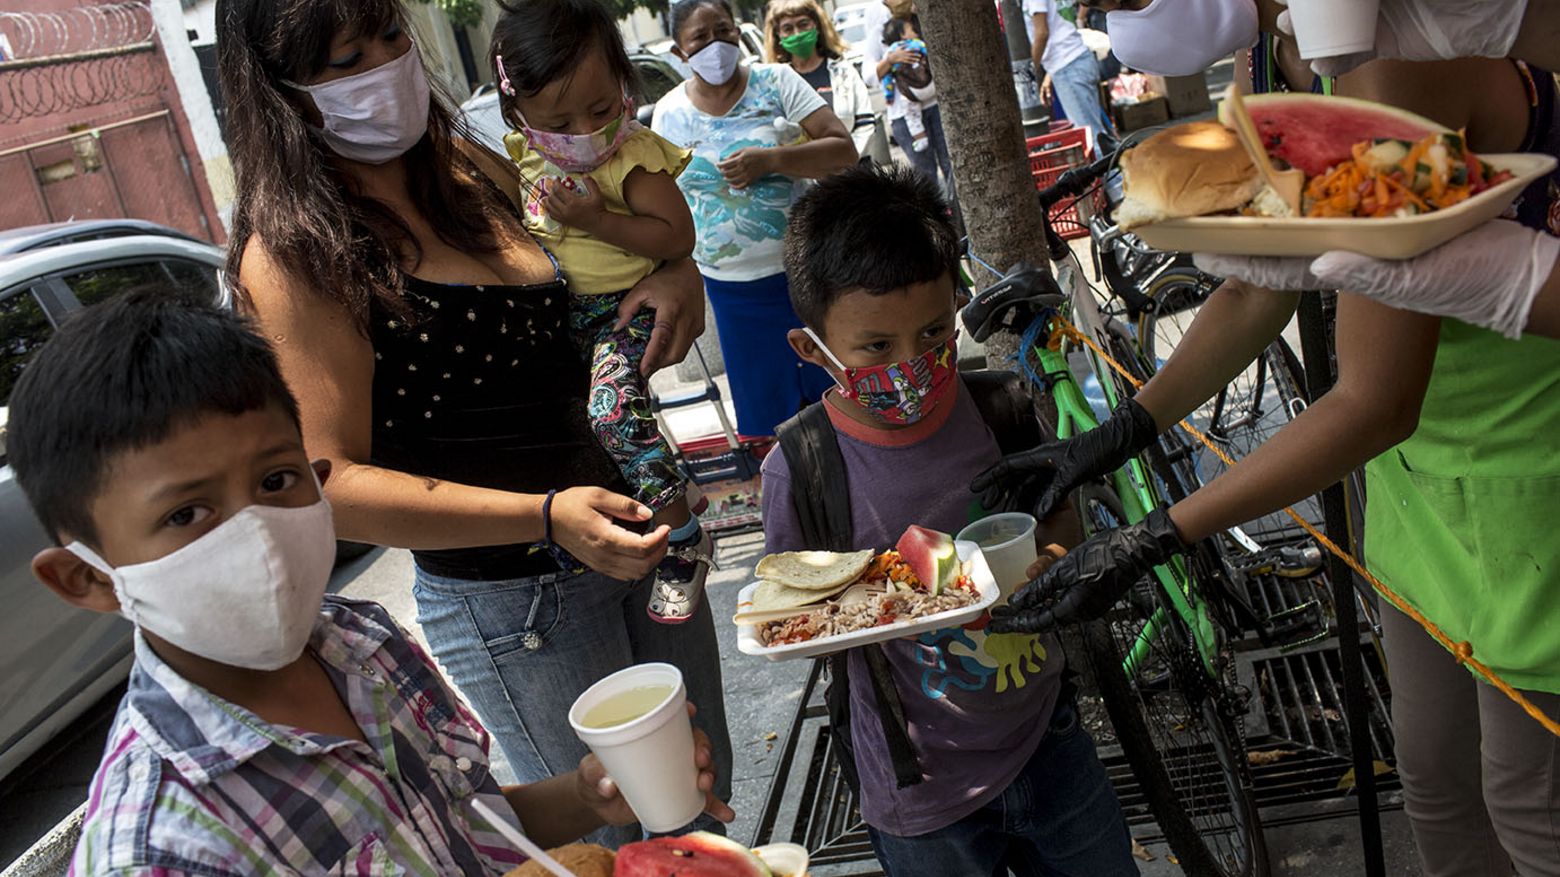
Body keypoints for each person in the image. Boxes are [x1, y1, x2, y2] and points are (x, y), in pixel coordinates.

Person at [979, 4, 1560, 874]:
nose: (1118, 12)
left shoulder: (1385, 68)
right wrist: (1120, 432)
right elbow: (1260, 287)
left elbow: (1371, 398)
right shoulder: (1267, 55)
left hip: (1527, 489)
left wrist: (1157, 533)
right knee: (1437, 784)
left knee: (1529, 803)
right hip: (1418, 493)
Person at [216, 0, 731, 846]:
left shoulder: (472, 167)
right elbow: (327, 481)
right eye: (346, 60)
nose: (383, 68)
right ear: (283, 91)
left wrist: (676, 273)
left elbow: (605, 271)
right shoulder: (297, 249)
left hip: (647, 546)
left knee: (702, 815)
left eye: (389, 38)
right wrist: (544, 513)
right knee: (630, 848)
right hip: (523, 606)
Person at [7, 292, 733, 876]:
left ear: (318, 481)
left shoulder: (363, 642)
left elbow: (462, 824)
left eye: (276, 480)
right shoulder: (159, 848)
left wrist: (586, 794)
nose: (256, 531)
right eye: (186, 511)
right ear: (85, 577)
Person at [762, 165, 1138, 876]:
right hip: (922, 788)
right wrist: (874, 603)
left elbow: (1055, 510)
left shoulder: (999, 408)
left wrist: (1054, 551)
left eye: (934, 330)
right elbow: (788, 613)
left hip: (1045, 735)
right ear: (813, 348)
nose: (913, 363)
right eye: (876, 347)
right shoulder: (804, 469)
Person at [488, 0, 711, 623]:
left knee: (612, 417)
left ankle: (684, 538)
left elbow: (676, 239)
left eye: (600, 107)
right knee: (591, 424)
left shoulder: (630, 155)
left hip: (627, 309)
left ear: (623, 88)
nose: (584, 131)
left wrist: (595, 220)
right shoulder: (525, 160)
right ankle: (673, 486)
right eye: (559, 119)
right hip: (571, 316)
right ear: (518, 114)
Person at [652, 0, 857, 437]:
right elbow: (666, 197)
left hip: (802, 277)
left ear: (738, 30)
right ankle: (796, 498)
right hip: (732, 292)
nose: (716, 44)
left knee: (837, 405)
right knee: (772, 424)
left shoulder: (776, 82)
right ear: (678, 52)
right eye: (700, 38)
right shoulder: (668, 113)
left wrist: (773, 160)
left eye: (722, 30)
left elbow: (843, 150)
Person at [764, 0, 878, 161]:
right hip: (807, 178)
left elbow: (865, 125)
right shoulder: (775, 84)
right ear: (778, 36)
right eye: (788, 28)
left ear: (817, 26)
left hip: (855, 172)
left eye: (803, 24)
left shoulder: (843, 72)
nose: (797, 34)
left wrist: (844, 161)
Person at [862, 2, 956, 194]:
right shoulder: (881, 32)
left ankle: (959, 218)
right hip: (903, 114)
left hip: (939, 105)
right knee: (924, 175)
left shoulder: (926, 19)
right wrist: (890, 60)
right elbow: (869, 76)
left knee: (953, 167)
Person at [1024, 0, 1121, 179]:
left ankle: (1117, 191)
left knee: (1093, 140)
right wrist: (1048, 75)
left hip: (1069, 66)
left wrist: (1026, 73)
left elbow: (1042, 33)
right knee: (1099, 135)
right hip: (1074, 62)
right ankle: (1120, 187)